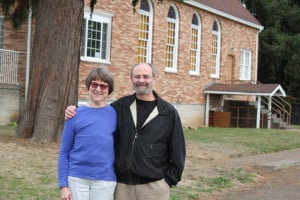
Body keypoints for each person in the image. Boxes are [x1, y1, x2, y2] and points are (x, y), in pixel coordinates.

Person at [65, 63, 186, 200]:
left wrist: (168, 181)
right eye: (137, 76)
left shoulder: (168, 113)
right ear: (131, 79)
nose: (141, 80)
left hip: (154, 188)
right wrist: (75, 110)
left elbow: (178, 151)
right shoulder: (120, 107)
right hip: (122, 188)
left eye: (145, 76)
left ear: (154, 79)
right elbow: (98, 110)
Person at [58, 66, 117, 200]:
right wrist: (64, 186)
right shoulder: (74, 114)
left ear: (109, 90)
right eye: (94, 84)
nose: (98, 89)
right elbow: (64, 152)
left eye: (103, 86)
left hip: (105, 179)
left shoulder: (116, 115)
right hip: (77, 178)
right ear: (88, 86)